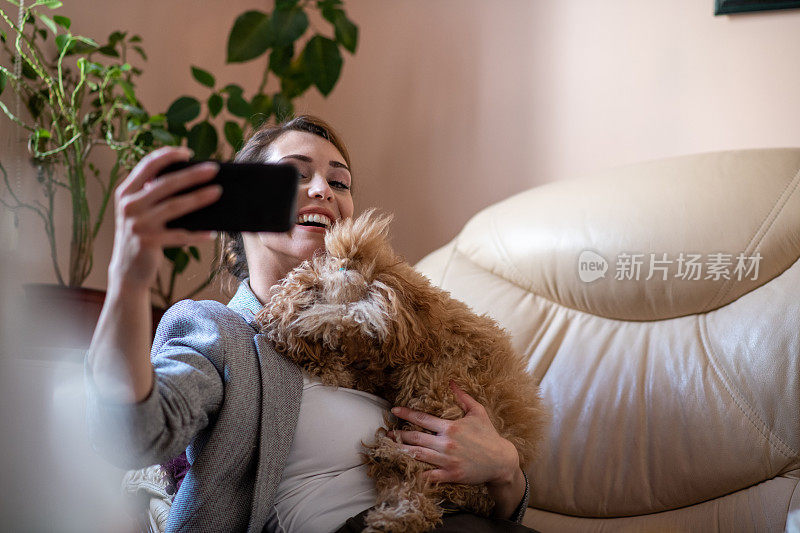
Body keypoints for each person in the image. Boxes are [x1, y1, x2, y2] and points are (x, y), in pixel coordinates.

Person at [86, 115, 536, 533]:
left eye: (339, 181)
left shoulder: (390, 327)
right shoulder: (220, 333)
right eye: (295, 175)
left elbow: (505, 507)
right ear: (244, 206)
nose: (323, 189)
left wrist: (503, 465)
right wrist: (128, 279)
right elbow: (134, 434)